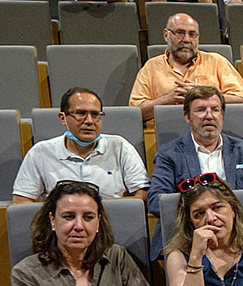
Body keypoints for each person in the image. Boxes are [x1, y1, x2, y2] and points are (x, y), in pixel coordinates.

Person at [10, 180, 160, 286]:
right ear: (53, 220)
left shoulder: (117, 257)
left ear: (97, 223)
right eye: (69, 217)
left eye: (88, 218)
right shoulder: (26, 274)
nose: (79, 226)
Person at [13, 87, 149, 203]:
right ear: (62, 118)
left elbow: (142, 194)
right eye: (81, 113)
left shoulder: (120, 146)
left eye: (95, 114)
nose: (89, 121)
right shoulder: (40, 152)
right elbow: (22, 201)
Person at [149, 87, 243, 203]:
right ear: (187, 116)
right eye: (201, 110)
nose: (209, 116)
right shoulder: (169, 153)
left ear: (222, 115)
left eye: (215, 110)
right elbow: (156, 200)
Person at [129, 10, 243, 117]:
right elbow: (136, 111)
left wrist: (204, 94)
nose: (187, 40)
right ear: (166, 35)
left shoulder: (217, 61)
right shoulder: (151, 67)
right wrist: (168, 99)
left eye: (192, 34)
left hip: (211, 131)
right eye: (180, 33)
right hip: (165, 132)